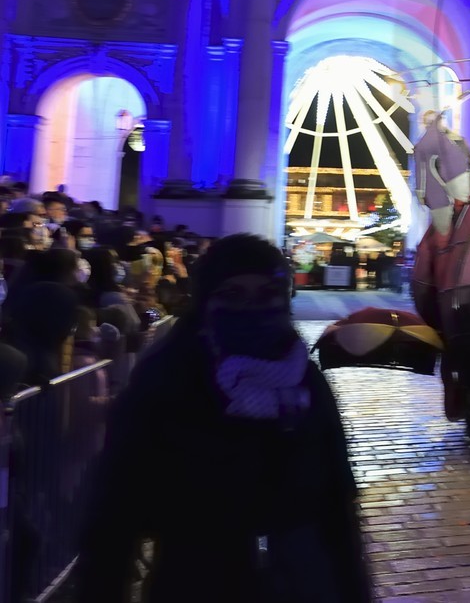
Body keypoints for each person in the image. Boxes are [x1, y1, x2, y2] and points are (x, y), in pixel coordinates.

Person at [76, 234, 374, 603]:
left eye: (268, 294)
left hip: (304, 581)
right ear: (206, 301)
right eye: (234, 295)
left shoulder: (305, 380)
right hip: (200, 581)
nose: (253, 309)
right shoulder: (169, 380)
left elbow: (337, 504)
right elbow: (114, 515)